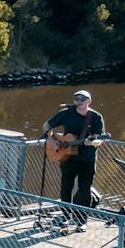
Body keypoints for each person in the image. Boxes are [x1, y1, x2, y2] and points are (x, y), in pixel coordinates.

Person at [42, 89, 106, 217]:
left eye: (82, 99)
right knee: (66, 187)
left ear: (89, 101)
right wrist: (52, 140)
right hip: (68, 157)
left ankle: (82, 219)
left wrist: (92, 143)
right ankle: (66, 216)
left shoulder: (96, 117)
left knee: (85, 189)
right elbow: (46, 125)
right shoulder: (67, 113)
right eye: (76, 99)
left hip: (87, 159)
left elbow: (100, 140)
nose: (79, 102)